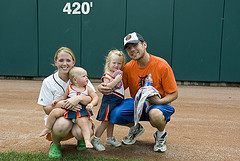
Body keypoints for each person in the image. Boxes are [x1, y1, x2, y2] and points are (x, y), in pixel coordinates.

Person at [98, 32, 178, 152]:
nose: (132, 50)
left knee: (155, 115)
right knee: (114, 113)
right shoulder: (129, 67)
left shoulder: (162, 65)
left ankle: (161, 135)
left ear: (144, 44)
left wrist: (159, 101)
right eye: (129, 48)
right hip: (138, 103)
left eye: (135, 45)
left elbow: (174, 94)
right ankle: (135, 128)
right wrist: (102, 86)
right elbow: (118, 86)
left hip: (158, 104)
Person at [38, 47, 96, 158]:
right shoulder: (48, 81)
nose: (65, 64)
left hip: (80, 115)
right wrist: (62, 104)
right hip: (61, 117)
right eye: (61, 60)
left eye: (68, 60)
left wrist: (77, 99)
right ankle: (55, 144)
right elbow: (46, 109)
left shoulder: (80, 76)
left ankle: (81, 139)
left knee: (81, 131)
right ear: (55, 62)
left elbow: (92, 98)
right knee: (62, 125)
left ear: (73, 62)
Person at [39, 67, 99, 149]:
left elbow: (95, 97)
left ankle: (87, 140)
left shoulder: (87, 89)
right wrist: (56, 101)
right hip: (68, 110)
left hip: (80, 111)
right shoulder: (69, 88)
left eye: (86, 76)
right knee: (55, 112)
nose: (87, 78)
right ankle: (48, 128)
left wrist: (91, 104)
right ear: (75, 80)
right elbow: (63, 96)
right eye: (84, 76)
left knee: (84, 123)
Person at [91, 50, 126, 151]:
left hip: (116, 100)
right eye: (114, 63)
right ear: (108, 63)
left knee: (111, 120)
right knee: (105, 121)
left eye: (119, 63)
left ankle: (109, 138)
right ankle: (96, 139)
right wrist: (116, 80)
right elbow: (107, 87)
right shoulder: (108, 74)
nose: (116, 65)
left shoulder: (117, 73)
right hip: (109, 100)